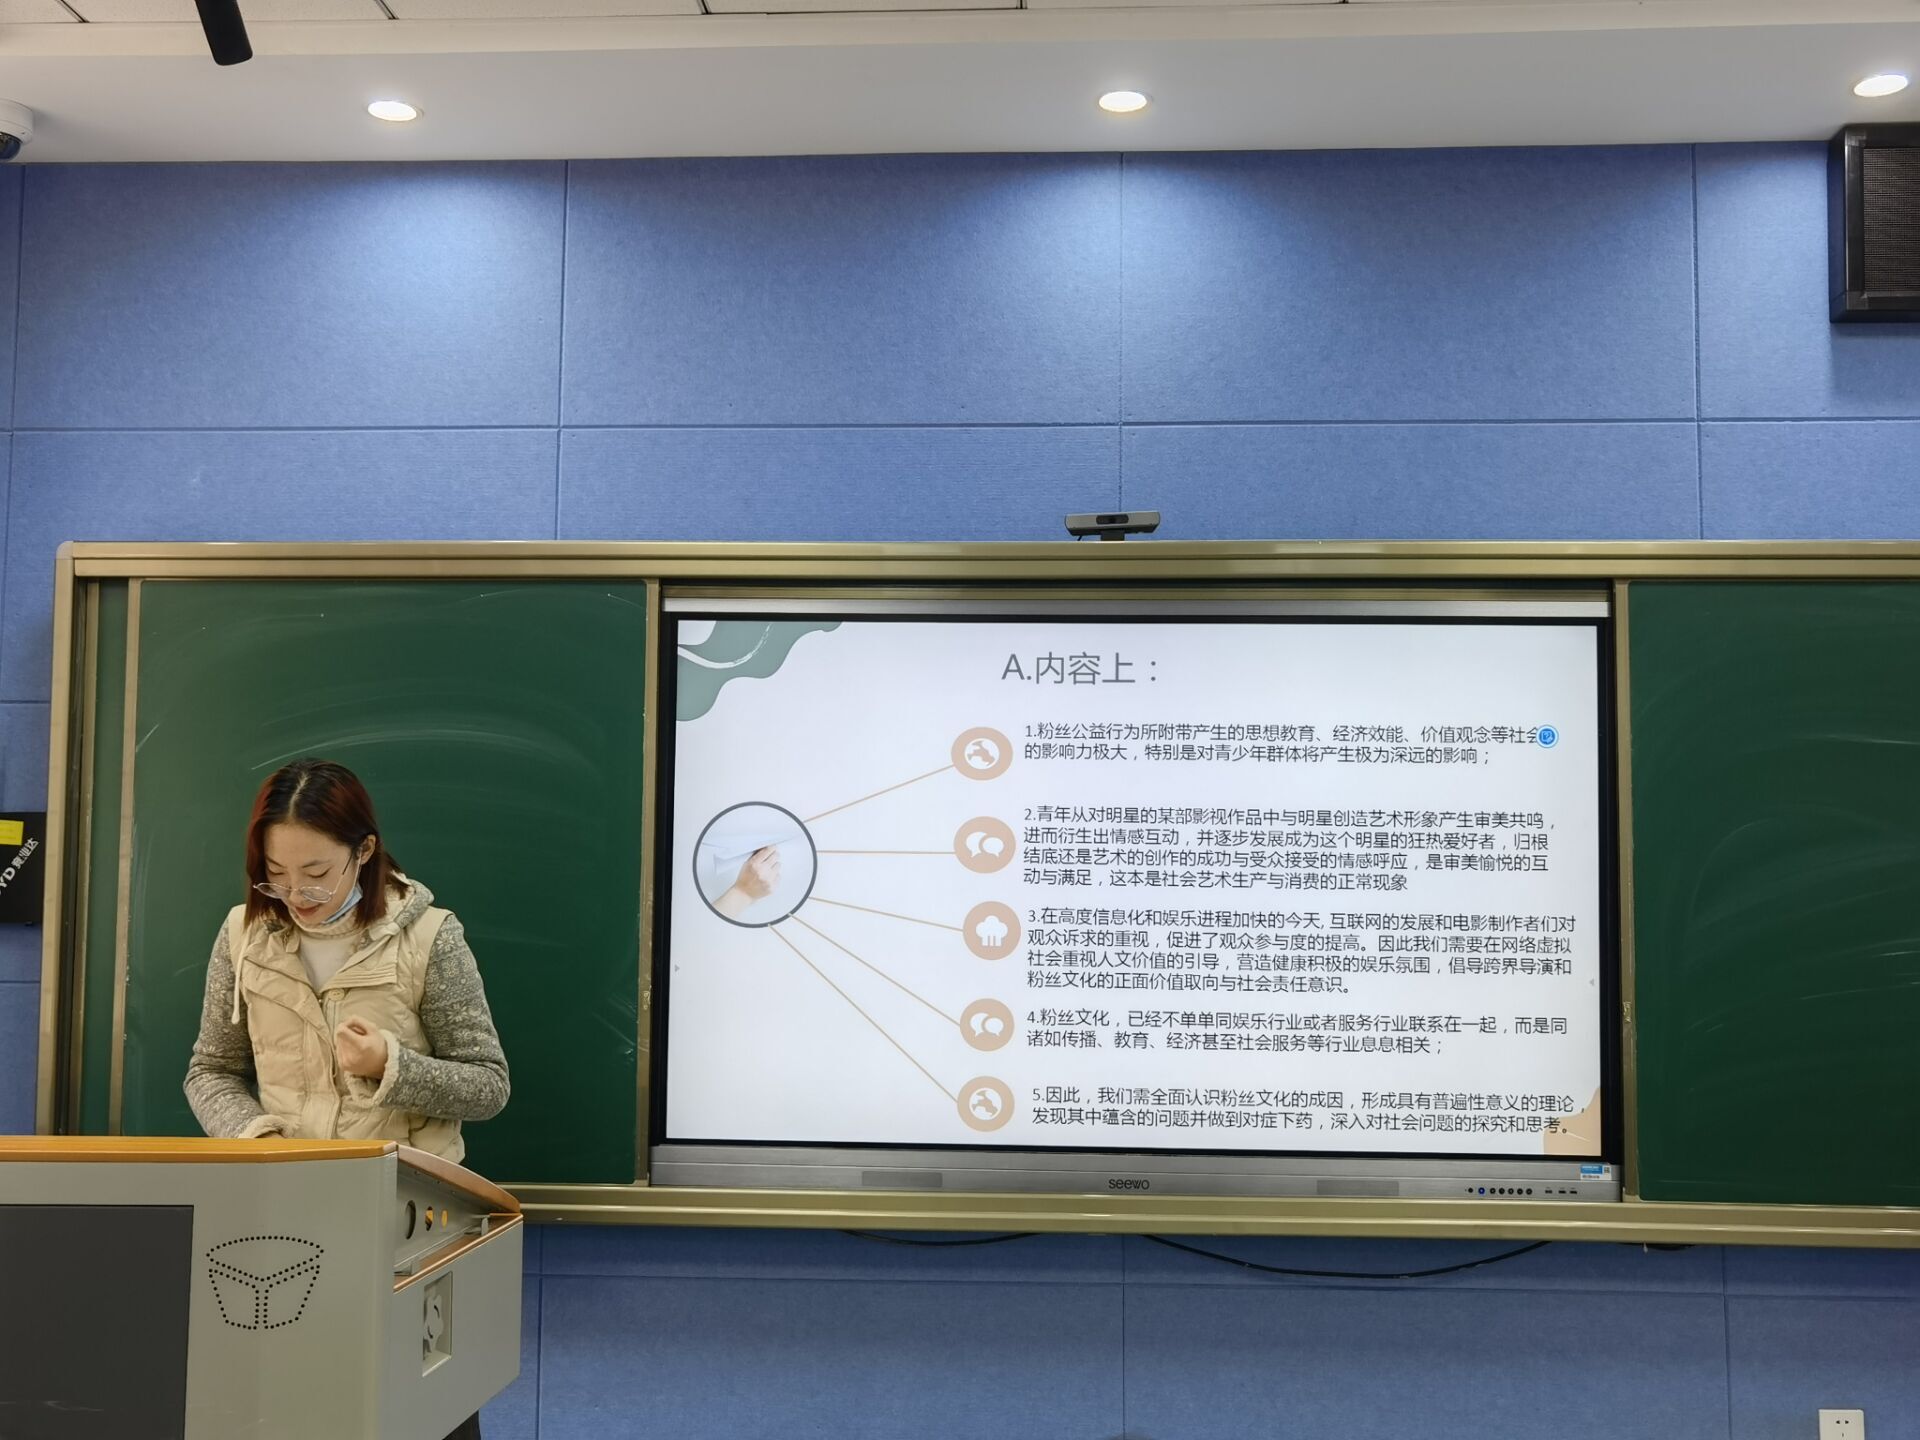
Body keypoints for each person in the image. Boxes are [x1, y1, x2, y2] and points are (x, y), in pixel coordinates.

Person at [185, 758, 508, 1440]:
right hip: (288, 1220)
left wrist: (394, 1066)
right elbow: (209, 1072)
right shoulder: (242, 936)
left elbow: (488, 1084)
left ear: (363, 851)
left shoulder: (429, 937)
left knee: (423, 1410)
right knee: (301, 1411)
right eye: (276, 873)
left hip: (410, 1223)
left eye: (316, 872)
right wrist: (258, 1141)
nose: (295, 893)